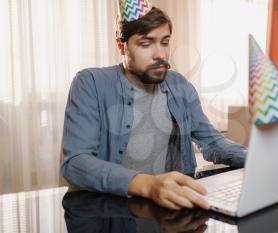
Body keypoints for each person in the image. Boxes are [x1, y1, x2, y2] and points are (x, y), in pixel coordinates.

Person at [60, 0, 247, 211]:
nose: (160, 55)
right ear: (121, 45)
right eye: (146, 43)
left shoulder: (180, 86)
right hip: (112, 214)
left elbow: (213, 143)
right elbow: (75, 163)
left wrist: (257, 161)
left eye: (164, 42)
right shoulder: (90, 83)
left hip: (169, 212)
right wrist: (148, 185)